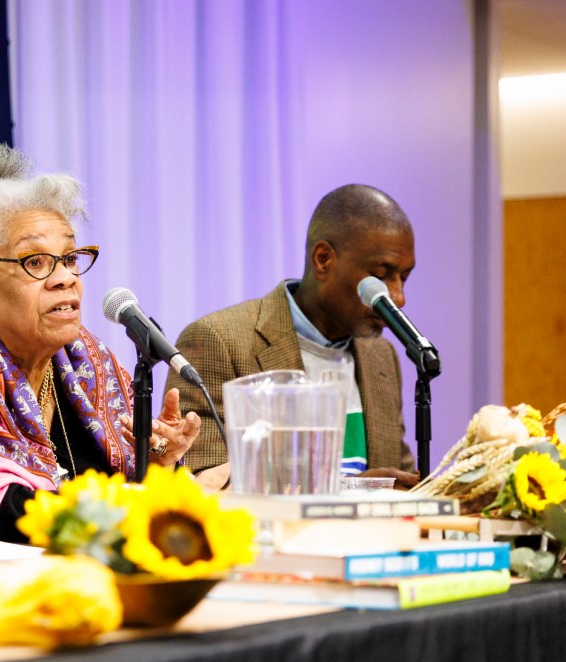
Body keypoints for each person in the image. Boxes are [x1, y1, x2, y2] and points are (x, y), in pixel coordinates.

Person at [0, 142, 200, 541]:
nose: (65, 278)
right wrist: (130, 513)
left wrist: (161, 464)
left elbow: (130, 486)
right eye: (35, 262)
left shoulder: (84, 359)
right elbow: (2, 516)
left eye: (69, 258)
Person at [165, 184, 419, 488]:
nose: (398, 297)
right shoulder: (218, 340)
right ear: (323, 259)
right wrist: (348, 490)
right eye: (381, 275)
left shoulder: (381, 355)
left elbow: (399, 475)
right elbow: (204, 482)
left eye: (403, 277)